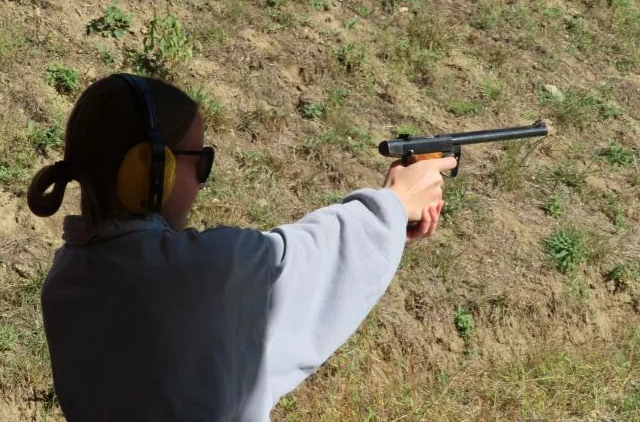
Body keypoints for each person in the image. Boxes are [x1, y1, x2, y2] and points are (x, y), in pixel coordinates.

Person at [27, 73, 456, 421]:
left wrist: (391, 219)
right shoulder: (195, 274)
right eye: (200, 162)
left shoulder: (67, 282)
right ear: (153, 169)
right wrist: (394, 204)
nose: (201, 182)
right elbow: (309, 260)